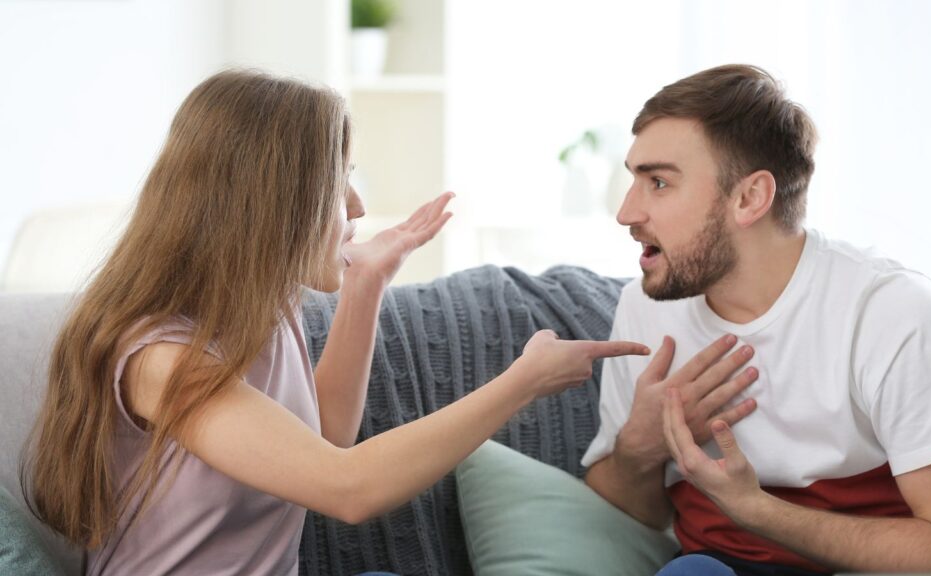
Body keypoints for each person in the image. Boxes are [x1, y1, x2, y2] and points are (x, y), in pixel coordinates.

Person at [23, 70, 653, 576]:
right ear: (273, 203)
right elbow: (347, 488)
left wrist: (365, 285)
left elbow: (323, 439)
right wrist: (522, 382)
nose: (356, 205)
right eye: (339, 179)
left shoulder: (267, 308)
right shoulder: (160, 360)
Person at [582, 64, 931, 575]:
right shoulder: (645, 307)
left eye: (659, 182)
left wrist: (756, 509)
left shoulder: (894, 316)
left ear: (750, 198)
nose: (626, 212)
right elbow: (636, 514)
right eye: (634, 179)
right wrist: (640, 447)